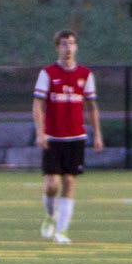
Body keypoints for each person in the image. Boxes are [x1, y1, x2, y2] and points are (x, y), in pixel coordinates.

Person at [32, 29, 103, 244]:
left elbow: (92, 107)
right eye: (63, 44)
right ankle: (50, 216)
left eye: (71, 43)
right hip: (53, 137)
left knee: (70, 181)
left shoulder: (85, 75)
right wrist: (40, 132)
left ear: (76, 47)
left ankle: (62, 231)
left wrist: (97, 134)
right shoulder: (47, 73)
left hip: (76, 137)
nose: (68, 48)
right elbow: (38, 105)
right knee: (52, 185)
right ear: (57, 47)